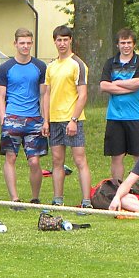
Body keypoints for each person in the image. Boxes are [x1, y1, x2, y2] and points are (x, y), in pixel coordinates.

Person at [0, 28, 50, 207]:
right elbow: (0, 96)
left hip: (34, 120)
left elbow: (44, 95)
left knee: (34, 161)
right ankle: (14, 199)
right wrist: (3, 119)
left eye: (28, 43)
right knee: (10, 158)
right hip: (12, 118)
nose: (25, 46)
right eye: (22, 43)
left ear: (32, 43)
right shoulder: (6, 67)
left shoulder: (40, 66)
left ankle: (35, 198)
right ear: (15, 44)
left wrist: (45, 120)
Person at [45, 25, 93, 207]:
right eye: (59, 40)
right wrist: (46, 120)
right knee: (57, 160)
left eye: (65, 39)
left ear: (70, 40)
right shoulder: (51, 66)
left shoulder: (77, 64)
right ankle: (58, 200)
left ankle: (86, 201)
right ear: (54, 42)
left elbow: (83, 95)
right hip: (54, 119)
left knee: (80, 160)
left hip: (72, 119)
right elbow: (47, 94)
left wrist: (74, 120)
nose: (62, 43)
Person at [99, 28, 139, 183]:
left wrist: (116, 83)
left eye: (129, 42)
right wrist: (130, 87)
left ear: (134, 44)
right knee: (117, 157)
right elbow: (104, 86)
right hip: (115, 117)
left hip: (136, 116)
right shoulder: (110, 63)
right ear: (117, 45)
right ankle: (116, 189)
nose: (126, 46)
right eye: (123, 43)